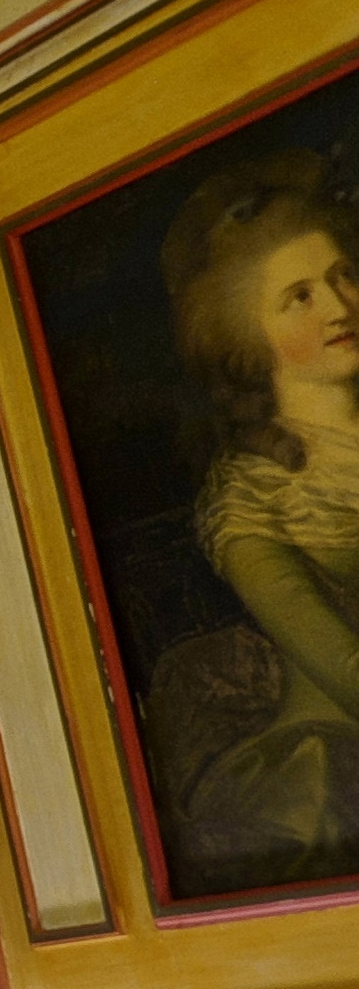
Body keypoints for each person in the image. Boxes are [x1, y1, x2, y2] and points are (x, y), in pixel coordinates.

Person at [147, 155, 359, 891]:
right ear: (249, 336)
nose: (338, 307)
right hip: (335, 749)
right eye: (298, 297)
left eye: (341, 276)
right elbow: (342, 666)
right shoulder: (250, 501)